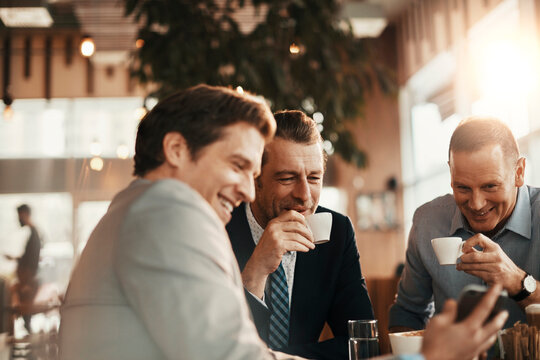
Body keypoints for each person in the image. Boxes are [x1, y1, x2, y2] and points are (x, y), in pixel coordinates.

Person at [59, 84, 291, 360]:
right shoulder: (168, 210)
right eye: (237, 166)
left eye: (252, 176)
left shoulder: (133, 209)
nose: (248, 192)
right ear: (177, 149)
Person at [226, 110, 374, 360]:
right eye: (287, 178)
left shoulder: (337, 231)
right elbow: (217, 345)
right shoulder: (220, 228)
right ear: (255, 179)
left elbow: (362, 342)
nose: (304, 195)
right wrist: (256, 270)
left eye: (314, 178)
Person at [389, 117, 540, 338]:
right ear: (450, 174)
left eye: (490, 186)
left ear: (518, 172)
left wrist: (518, 282)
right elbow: (408, 313)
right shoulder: (427, 222)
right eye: (463, 187)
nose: (477, 203)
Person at [6, 204, 42, 333]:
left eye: (19, 216)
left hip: (28, 279)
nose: (18, 219)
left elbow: (32, 259)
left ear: (25, 214)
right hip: (27, 278)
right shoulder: (33, 234)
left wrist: (26, 281)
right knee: (25, 315)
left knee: (26, 314)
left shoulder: (34, 235)